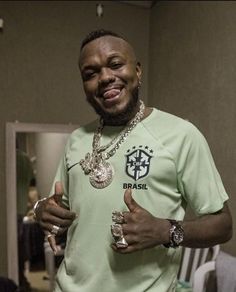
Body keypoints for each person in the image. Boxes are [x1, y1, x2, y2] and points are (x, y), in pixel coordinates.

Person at [34, 29, 232, 292]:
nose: (105, 77)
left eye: (115, 64)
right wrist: (41, 210)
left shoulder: (181, 135)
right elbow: (59, 209)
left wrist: (166, 231)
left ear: (137, 71)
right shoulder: (76, 140)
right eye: (90, 74)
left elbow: (223, 225)